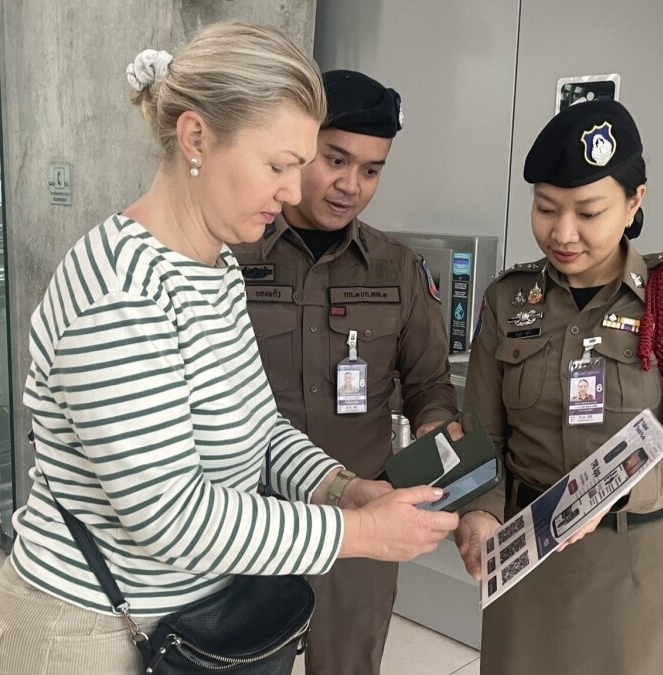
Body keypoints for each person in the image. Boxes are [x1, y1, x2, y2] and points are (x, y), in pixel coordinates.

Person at [0, 24, 458, 674]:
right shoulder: (121, 287)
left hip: (185, 620)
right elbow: (173, 515)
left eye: (301, 167)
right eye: (278, 166)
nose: (294, 192)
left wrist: (343, 486)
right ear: (195, 137)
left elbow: (260, 427)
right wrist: (356, 533)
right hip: (81, 634)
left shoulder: (213, 271)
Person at [453, 100, 663, 674]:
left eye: (588, 211)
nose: (562, 232)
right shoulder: (508, 300)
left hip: (633, 570)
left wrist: (616, 493)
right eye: (546, 208)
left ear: (634, 203)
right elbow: (480, 435)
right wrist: (478, 510)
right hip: (525, 561)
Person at [231, 69, 460, 675]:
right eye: (335, 159)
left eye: (371, 169)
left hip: (362, 521)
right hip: (251, 523)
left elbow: (428, 384)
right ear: (300, 146)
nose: (350, 185)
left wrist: (438, 425)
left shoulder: (398, 270)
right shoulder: (231, 255)